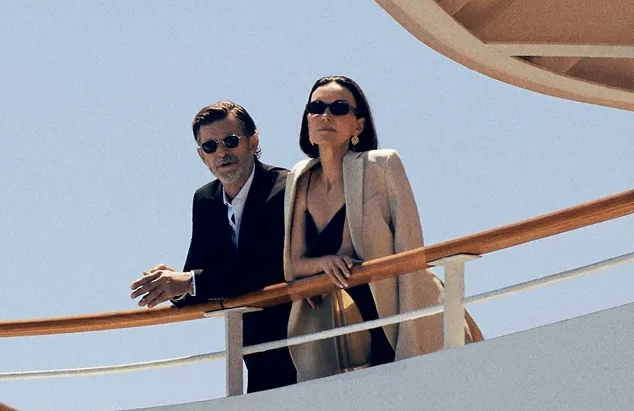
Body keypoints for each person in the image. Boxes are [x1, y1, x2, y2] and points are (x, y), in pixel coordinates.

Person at [279, 75, 446, 379]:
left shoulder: (382, 165)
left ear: (359, 125)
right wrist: (325, 263)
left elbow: (411, 253)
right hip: (339, 333)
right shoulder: (299, 177)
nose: (325, 115)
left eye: (339, 108)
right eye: (316, 107)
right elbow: (293, 264)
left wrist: (412, 343)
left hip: (389, 316)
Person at [130, 100, 296, 393]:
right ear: (201, 156)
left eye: (230, 141)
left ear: (252, 141)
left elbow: (266, 270)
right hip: (253, 353)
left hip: (302, 343)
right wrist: (170, 284)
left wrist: (188, 282)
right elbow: (198, 278)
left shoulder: (284, 188)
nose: (221, 152)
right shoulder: (205, 200)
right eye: (210, 147)